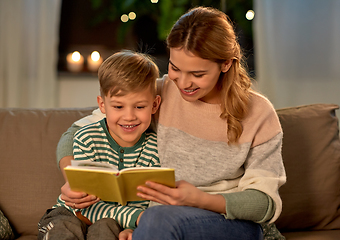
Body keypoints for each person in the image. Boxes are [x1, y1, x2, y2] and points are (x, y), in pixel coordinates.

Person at [56, 6, 286, 240]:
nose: (183, 83)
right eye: (175, 68)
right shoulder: (160, 93)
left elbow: (264, 203)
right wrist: (74, 180)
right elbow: (76, 132)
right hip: (159, 223)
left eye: (197, 74)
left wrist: (198, 199)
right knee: (155, 220)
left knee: (158, 219)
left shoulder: (258, 113)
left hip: (228, 223)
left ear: (225, 64)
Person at [38, 50, 161, 240]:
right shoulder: (87, 138)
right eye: (118, 107)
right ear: (102, 105)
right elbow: (87, 204)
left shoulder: (155, 149)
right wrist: (137, 219)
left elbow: (147, 205)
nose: (129, 116)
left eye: (140, 107)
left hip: (113, 223)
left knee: (106, 229)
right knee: (62, 230)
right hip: (71, 213)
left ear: (154, 105)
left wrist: (134, 228)